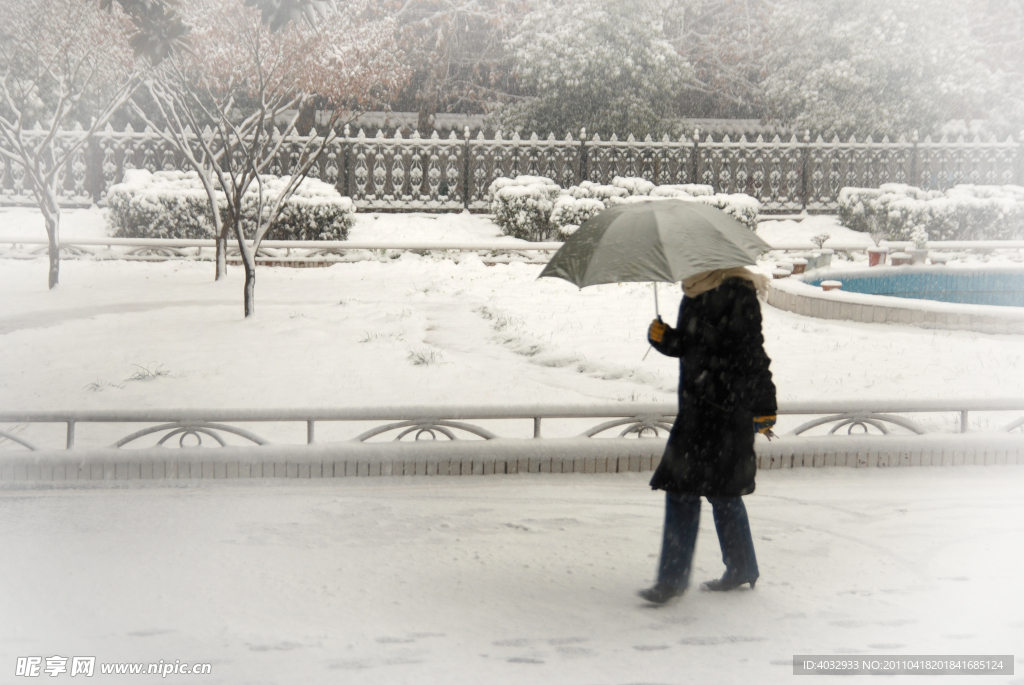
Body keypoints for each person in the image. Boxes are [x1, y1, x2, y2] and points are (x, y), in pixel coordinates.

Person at [638, 266, 777, 605]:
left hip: (728, 412)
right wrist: (664, 338)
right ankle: (698, 574)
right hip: (696, 410)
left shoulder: (738, 293)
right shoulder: (694, 292)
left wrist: (764, 404)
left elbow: (751, 352)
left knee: (713, 493)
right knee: (696, 491)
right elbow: (690, 344)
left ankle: (694, 576)